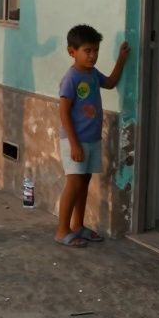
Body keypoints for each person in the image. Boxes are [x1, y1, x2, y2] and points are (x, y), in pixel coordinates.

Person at [54, 25, 129, 248]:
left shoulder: (93, 74)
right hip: (74, 141)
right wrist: (75, 145)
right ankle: (61, 230)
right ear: (72, 51)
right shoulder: (71, 78)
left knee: (84, 182)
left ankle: (78, 225)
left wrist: (122, 59)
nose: (92, 55)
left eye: (96, 50)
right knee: (73, 183)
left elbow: (111, 82)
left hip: (91, 139)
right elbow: (64, 113)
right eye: (87, 51)